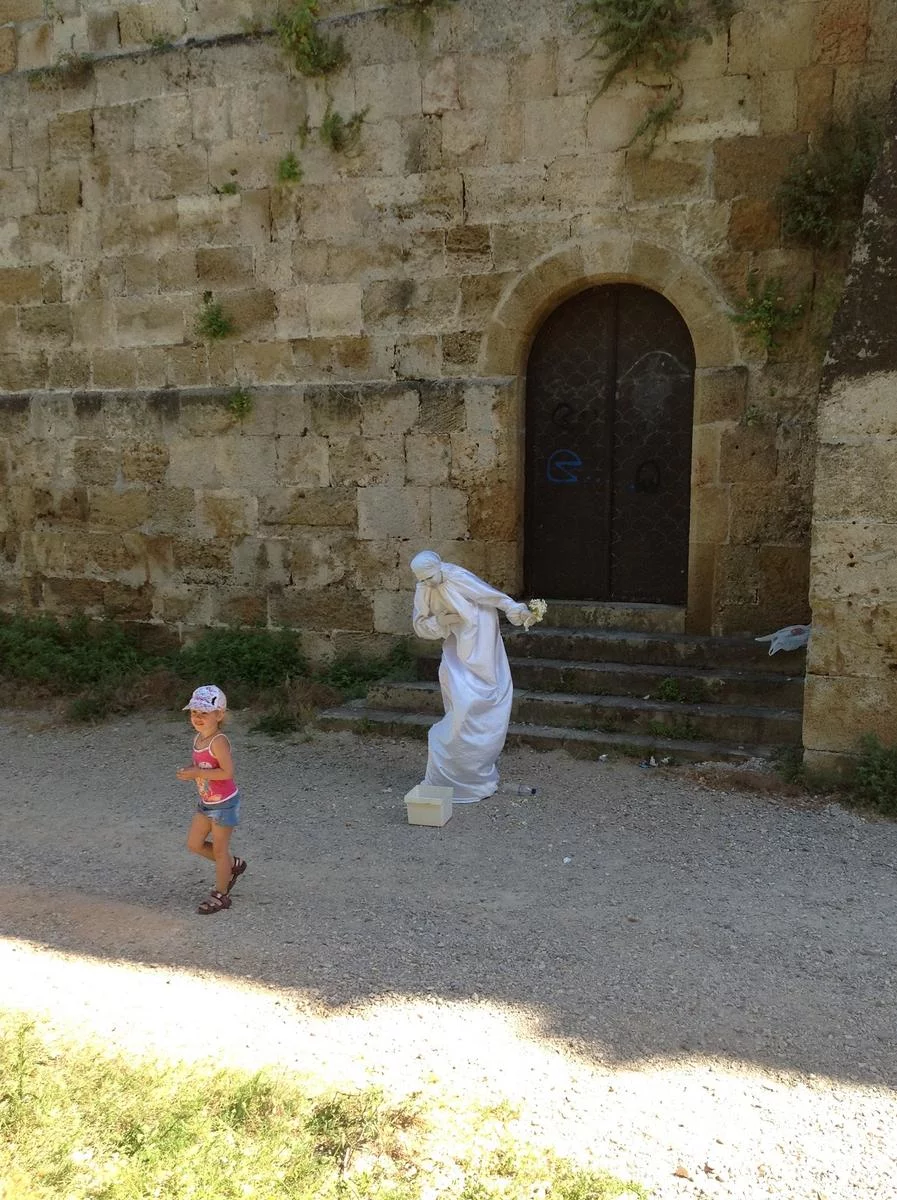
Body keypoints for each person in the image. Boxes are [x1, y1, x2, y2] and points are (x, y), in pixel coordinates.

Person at [410, 550, 535, 803]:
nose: (429, 583)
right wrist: (441, 622)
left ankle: (476, 772)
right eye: (423, 580)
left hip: (482, 642)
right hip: (456, 649)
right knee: (461, 704)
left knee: (483, 702)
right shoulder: (425, 588)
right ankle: (454, 773)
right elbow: (420, 624)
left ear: (439, 568)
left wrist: (513, 608)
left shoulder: (457, 576)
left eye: (431, 577)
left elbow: (489, 595)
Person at [178, 684, 247, 914]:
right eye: (194, 712)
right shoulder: (199, 739)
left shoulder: (218, 741)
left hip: (224, 804)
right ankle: (231, 865)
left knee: (219, 851)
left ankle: (221, 894)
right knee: (194, 844)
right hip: (207, 802)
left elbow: (227, 772)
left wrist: (197, 772)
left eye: (204, 712)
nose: (197, 717)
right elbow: (203, 766)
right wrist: (191, 770)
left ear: (219, 715)